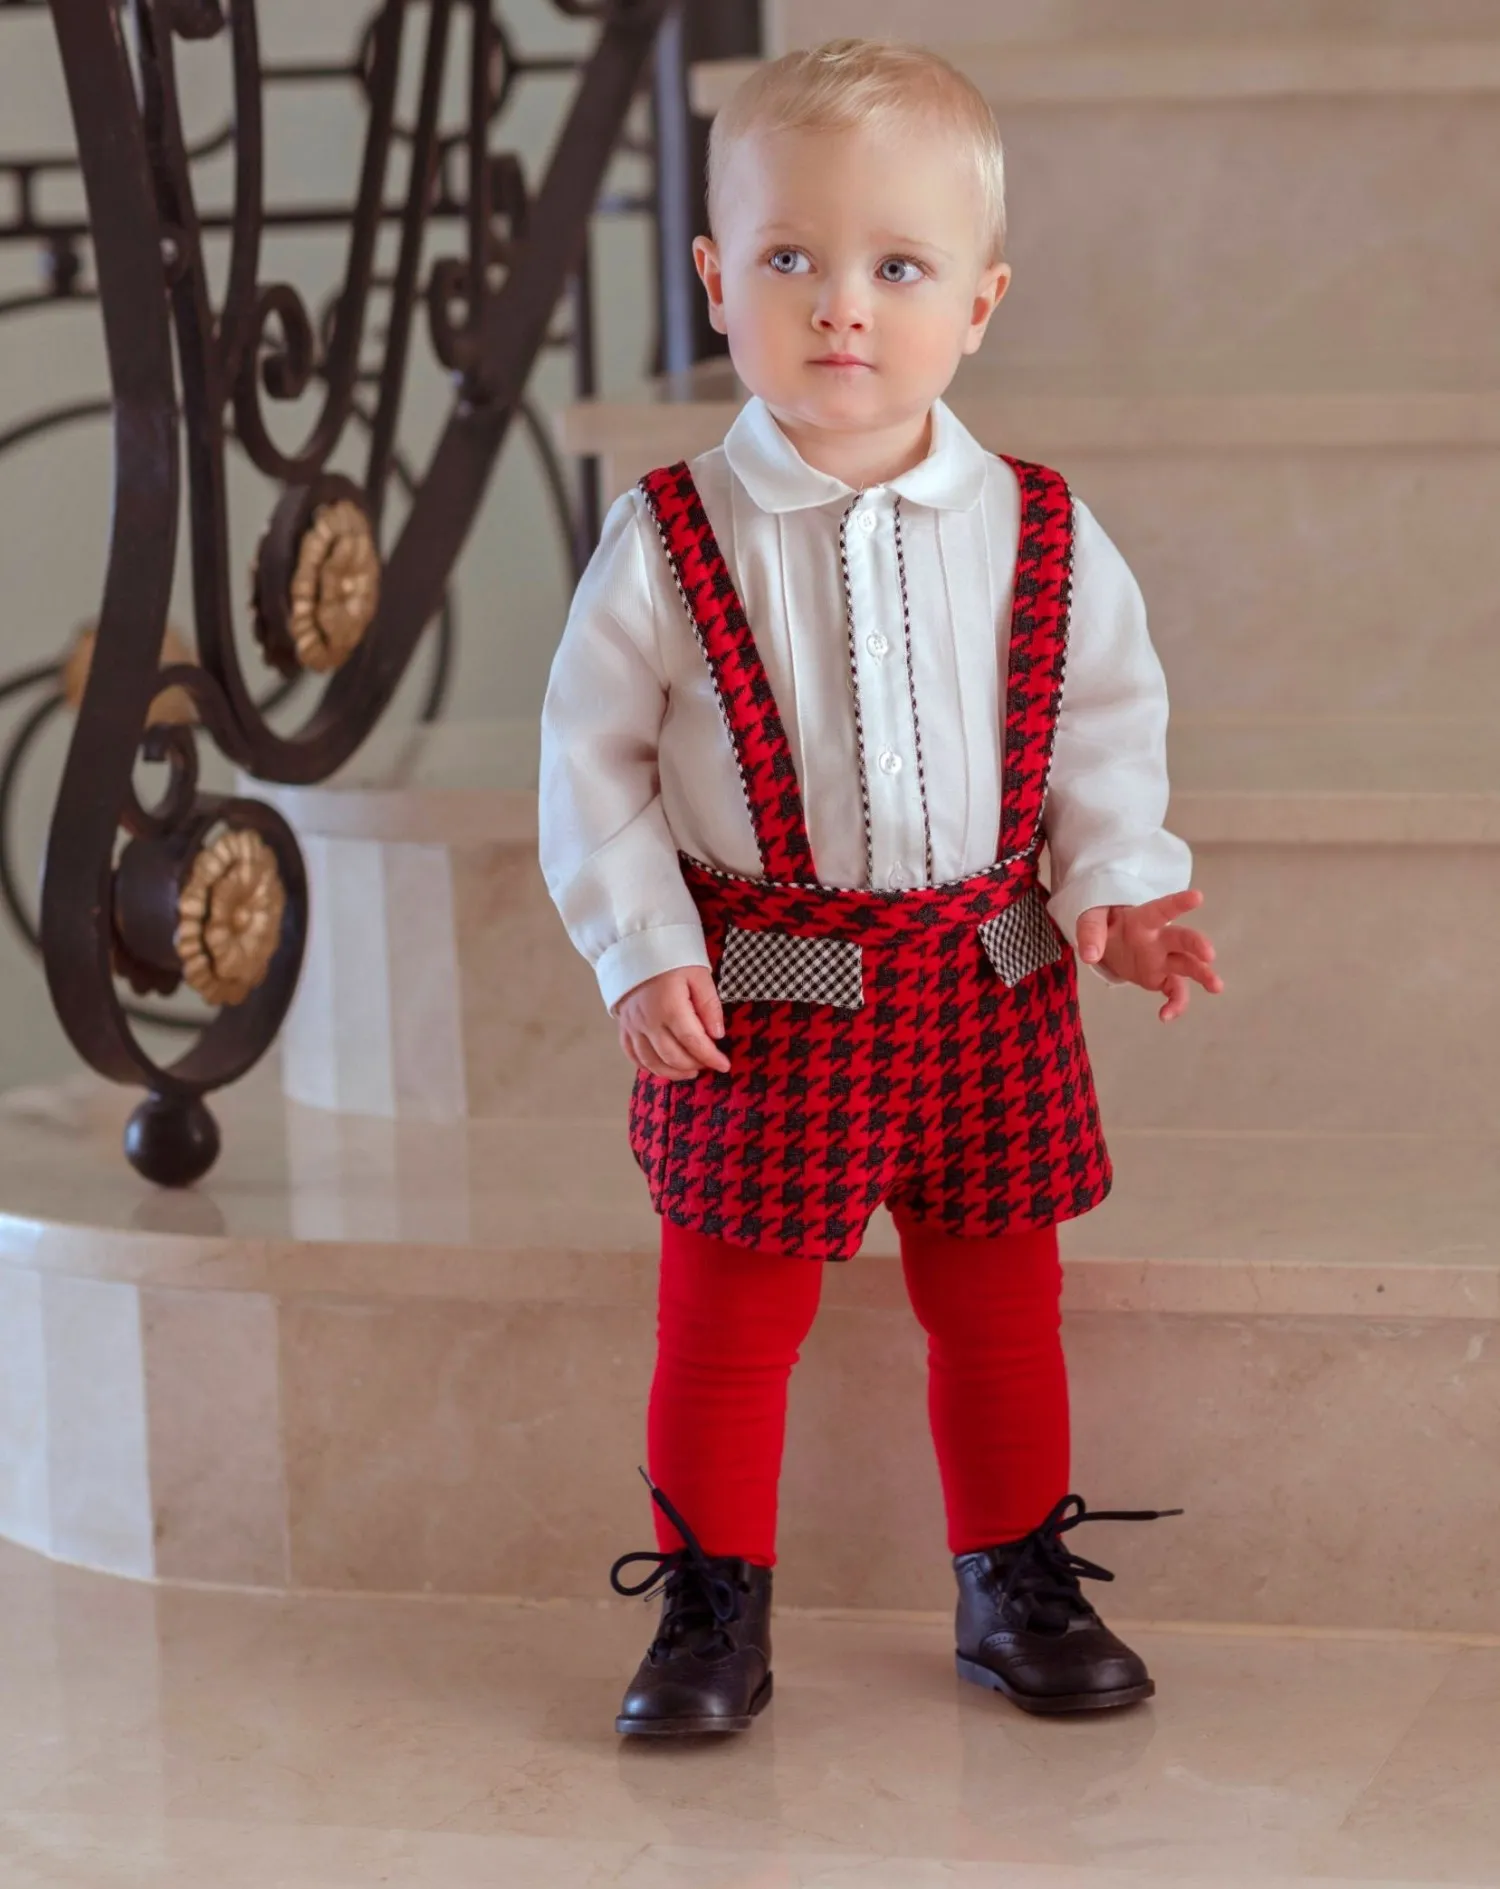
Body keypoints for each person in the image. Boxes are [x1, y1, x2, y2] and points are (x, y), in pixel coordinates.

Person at [538, 36, 1223, 1737]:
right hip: (767, 990)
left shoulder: (1042, 530)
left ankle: (1016, 1578)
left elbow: (1103, 732)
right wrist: (639, 949)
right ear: (716, 282)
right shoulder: (667, 537)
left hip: (993, 976)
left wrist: (1121, 890)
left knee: (999, 1306)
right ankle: (710, 1610)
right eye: (790, 260)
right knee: (725, 1317)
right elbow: (591, 764)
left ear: (979, 302)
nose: (842, 307)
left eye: (896, 268)